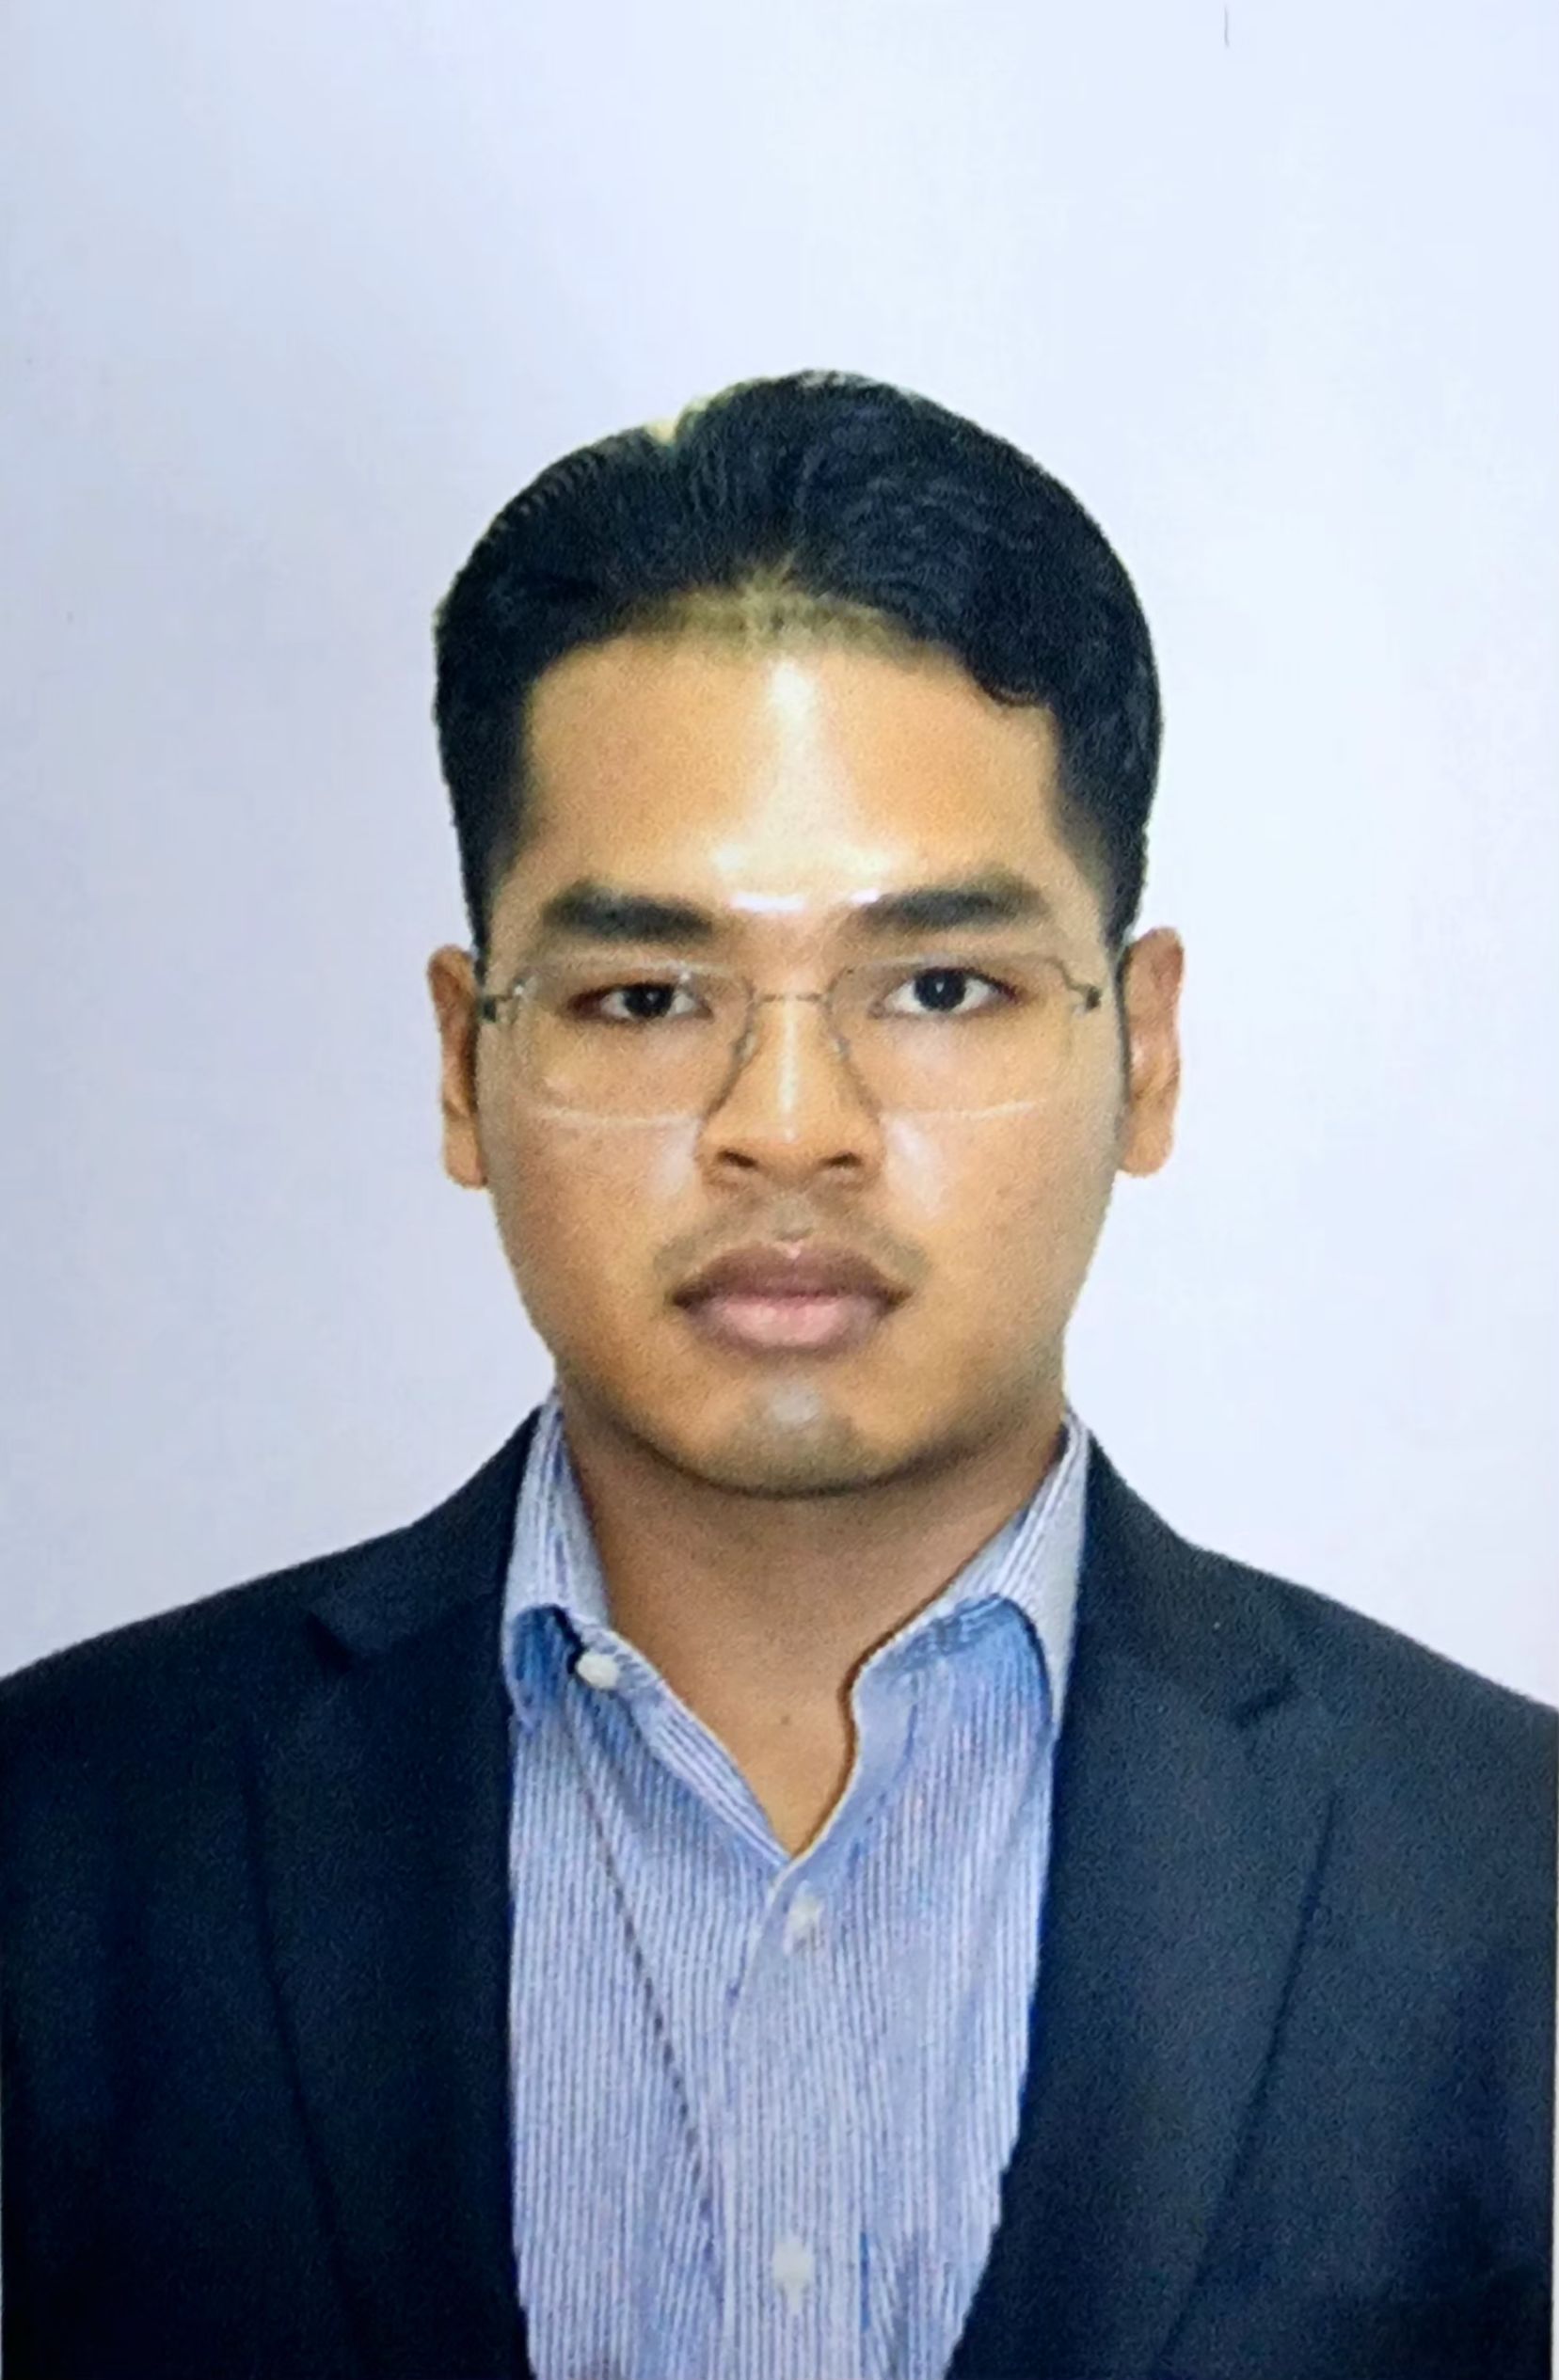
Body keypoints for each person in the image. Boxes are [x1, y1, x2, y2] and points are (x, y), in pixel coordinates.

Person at [1, 371, 1552, 2380]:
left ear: (1143, 1047)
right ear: (465, 1060)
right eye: (649, 993)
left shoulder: (1502, 1872)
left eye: (939, 984)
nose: (789, 1126)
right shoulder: (61, 1847)